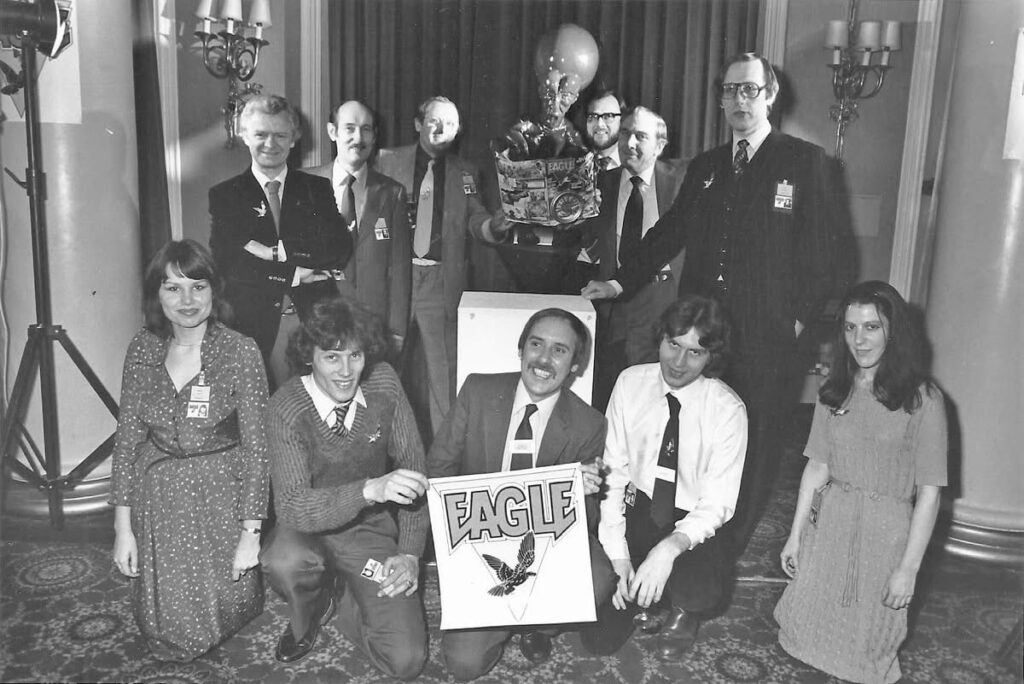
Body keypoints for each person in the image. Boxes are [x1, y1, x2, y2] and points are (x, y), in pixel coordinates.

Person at [583, 52, 847, 556]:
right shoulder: (706, 167)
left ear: (771, 95)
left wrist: (795, 322)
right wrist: (618, 284)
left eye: (749, 89)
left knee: (750, 462)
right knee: (691, 455)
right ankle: (677, 559)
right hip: (702, 344)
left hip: (768, 346)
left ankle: (713, 572)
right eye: (729, 90)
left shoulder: (805, 163)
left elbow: (831, 258)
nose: (739, 100)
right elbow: (668, 233)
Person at [427, 308, 617, 680]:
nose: (544, 360)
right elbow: (439, 468)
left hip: (545, 545)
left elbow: (587, 524)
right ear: (521, 349)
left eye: (560, 351)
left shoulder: (589, 424)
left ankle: (538, 624)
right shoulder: (478, 390)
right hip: (479, 538)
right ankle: (506, 613)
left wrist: (575, 491)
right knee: (464, 666)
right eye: (536, 344)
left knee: (598, 578)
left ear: (576, 365)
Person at [774, 281, 946, 683]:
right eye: (851, 328)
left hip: (886, 535)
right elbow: (817, 467)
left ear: (893, 331)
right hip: (831, 523)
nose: (859, 339)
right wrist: (796, 535)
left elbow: (930, 494)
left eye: (871, 327)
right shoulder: (834, 388)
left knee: (870, 653)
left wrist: (909, 569)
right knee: (805, 634)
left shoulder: (924, 399)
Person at [110, 239, 269, 661]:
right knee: (165, 636)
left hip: (219, 494)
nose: (187, 300)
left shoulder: (240, 351)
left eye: (198, 286)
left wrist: (250, 536)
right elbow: (127, 443)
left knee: (223, 614)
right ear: (155, 294)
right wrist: (122, 529)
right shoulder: (142, 348)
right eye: (172, 287)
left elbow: (257, 450)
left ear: (214, 292)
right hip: (159, 496)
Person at [259, 296, 429, 679]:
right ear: (309, 357)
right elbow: (291, 507)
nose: (346, 371)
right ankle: (310, 610)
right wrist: (369, 490)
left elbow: (414, 472)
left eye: (355, 356)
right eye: (331, 357)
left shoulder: (384, 382)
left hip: (367, 533)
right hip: (305, 529)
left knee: (406, 660)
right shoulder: (286, 407)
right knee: (283, 561)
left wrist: (409, 555)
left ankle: (338, 596)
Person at [582, 295, 747, 662]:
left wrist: (669, 548)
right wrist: (618, 554)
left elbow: (718, 502)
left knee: (701, 588)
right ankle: (647, 585)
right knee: (597, 640)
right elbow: (614, 470)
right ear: (660, 338)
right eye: (674, 344)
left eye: (695, 352)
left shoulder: (728, 409)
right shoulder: (630, 383)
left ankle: (683, 608)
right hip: (639, 509)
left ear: (711, 357)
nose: (678, 362)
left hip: (693, 522)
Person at [374, 96, 506, 439]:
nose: (440, 130)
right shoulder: (387, 161)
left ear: (458, 130)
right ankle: (375, 450)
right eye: (433, 121)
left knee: (442, 377)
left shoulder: (466, 172)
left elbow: (476, 218)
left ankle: (444, 462)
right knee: (380, 366)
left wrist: (494, 227)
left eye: (449, 124)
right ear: (419, 123)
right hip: (394, 279)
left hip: (439, 281)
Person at [209, 94, 352, 389]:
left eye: (280, 135)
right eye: (261, 134)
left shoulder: (316, 188)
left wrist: (276, 251)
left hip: (314, 323)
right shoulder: (226, 195)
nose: (270, 144)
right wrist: (296, 272)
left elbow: (338, 246)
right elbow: (229, 262)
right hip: (254, 326)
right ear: (244, 135)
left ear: (294, 139)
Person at [575, 105, 687, 410]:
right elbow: (583, 244)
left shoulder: (681, 181)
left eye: (640, 136)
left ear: (660, 145)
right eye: (625, 134)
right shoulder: (600, 184)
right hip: (615, 302)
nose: (630, 143)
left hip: (665, 296)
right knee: (613, 390)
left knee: (660, 391)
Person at [306, 100, 412, 350]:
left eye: (366, 129)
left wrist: (397, 332)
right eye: (350, 128)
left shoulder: (392, 193)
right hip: (317, 320)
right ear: (333, 132)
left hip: (371, 326)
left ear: (375, 136)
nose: (358, 137)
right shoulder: (305, 184)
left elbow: (399, 269)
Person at [583, 89, 625, 172]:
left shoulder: (635, 166)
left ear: (623, 121)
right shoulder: (574, 164)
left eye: (608, 116)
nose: (599, 124)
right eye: (593, 116)